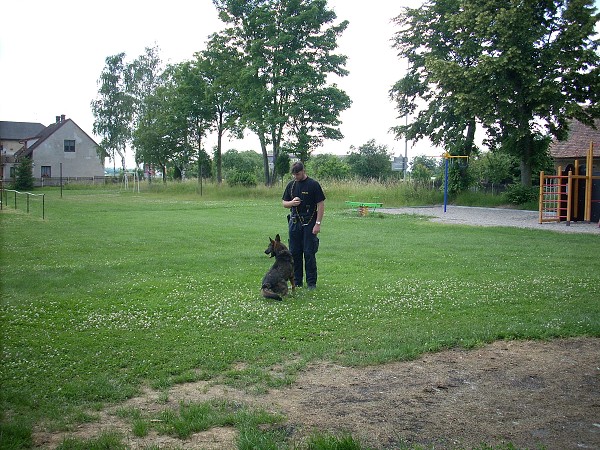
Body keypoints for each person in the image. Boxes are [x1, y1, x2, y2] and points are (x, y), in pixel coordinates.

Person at [282, 162, 325, 290]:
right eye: (294, 174)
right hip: (295, 222)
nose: (296, 176)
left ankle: (311, 283)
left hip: (310, 222)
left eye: (298, 174)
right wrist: (291, 203)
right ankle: (297, 282)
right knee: (294, 253)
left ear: (303, 171)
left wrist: (318, 224)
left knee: (309, 253)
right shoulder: (291, 185)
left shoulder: (313, 185)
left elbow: (321, 205)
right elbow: (284, 203)